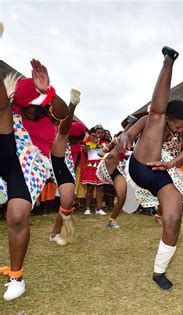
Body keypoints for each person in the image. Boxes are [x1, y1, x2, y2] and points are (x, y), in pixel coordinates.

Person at [120, 46, 183, 291]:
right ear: (170, 117)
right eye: (178, 126)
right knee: (155, 118)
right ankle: (168, 63)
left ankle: (159, 272)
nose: (181, 130)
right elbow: (129, 133)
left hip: (161, 170)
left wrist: (170, 164)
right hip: (140, 165)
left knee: (173, 218)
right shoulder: (155, 120)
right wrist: (125, 138)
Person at [0, 59, 69, 300]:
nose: (31, 108)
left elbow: (63, 113)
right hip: (6, 145)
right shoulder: (16, 102)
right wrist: (34, 90)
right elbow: (7, 100)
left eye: (36, 105)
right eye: (28, 104)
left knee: (18, 214)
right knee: (5, 111)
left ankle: (16, 277)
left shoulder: (50, 109)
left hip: (29, 163)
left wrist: (47, 91)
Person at [49, 89, 81, 245]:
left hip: (60, 161)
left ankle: (55, 233)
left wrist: (72, 105)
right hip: (35, 157)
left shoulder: (65, 133)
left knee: (67, 201)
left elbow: (65, 129)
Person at [82, 125, 108, 215]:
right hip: (91, 165)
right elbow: (84, 151)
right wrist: (88, 142)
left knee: (100, 188)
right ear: (94, 133)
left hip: (101, 165)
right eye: (98, 132)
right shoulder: (87, 141)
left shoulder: (105, 144)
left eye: (101, 133)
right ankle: (87, 208)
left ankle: (99, 209)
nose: (100, 134)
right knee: (90, 188)